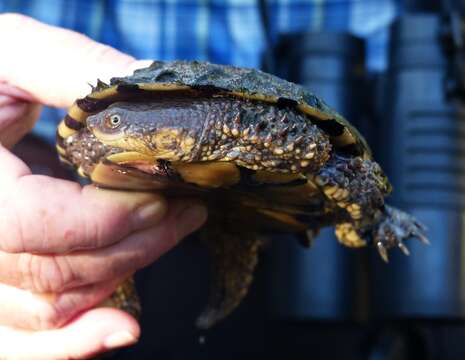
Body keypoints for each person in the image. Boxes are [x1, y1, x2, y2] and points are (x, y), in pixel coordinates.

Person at [0, 1, 398, 358]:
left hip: (308, 272)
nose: (104, 126)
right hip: (81, 221)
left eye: (117, 121)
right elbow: (81, 140)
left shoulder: (240, 121)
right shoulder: (101, 130)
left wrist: (365, 205)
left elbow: (320, 139)